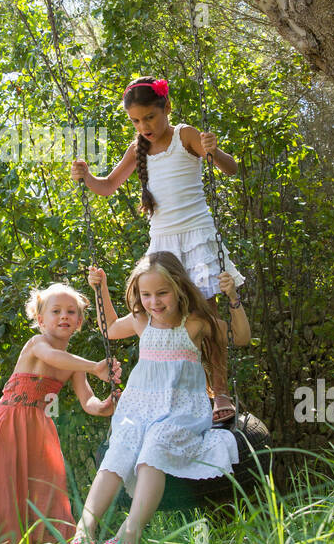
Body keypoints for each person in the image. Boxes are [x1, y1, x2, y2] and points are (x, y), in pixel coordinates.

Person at [71, 74, 244, 423]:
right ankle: (180, 392)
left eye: (149, 117)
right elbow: (108, 186)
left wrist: (215, 151)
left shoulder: (185, 136)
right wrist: (87, 177)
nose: (143, 125)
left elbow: (231, 168)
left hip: (196, 237)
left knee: (206, 318)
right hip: (163, 244)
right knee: (158, 317)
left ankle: (220, 390)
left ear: (165, 108)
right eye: (136, 120)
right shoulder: (138, 149)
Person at [69, 252, 251, 544]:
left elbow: (242, 337)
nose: (154, 301)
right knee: (119, 450)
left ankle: (131, 536)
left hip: (182, 410)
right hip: (140, 406)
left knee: (154, 447)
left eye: (162, 293)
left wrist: (233, 297)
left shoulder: (194, 323)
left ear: (180, 289)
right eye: (146, 294)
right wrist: (101, 289)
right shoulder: (142, 320)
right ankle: (83, 531)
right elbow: (109, 328)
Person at [0, 283, 119, 544]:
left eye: (71, 312)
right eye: (55, 311)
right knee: (3, 491)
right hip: (9, 422)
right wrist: (94, 366)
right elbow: (54, 357)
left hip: (40, 430)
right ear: (40, 320)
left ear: (79, 322)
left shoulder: (74, 364)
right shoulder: (36, 344)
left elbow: (87, 399)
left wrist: (103, 407)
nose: (63, 316)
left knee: (46, 493)